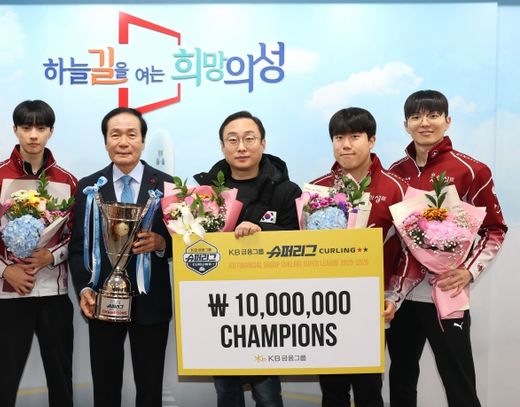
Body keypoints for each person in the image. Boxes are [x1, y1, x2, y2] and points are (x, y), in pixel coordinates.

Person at [387, 90, 507, 407]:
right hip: (400, 298)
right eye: (416, 117)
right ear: (406, 125)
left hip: (445, 293)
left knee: (459, 384)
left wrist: (469, 271)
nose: (424, 123)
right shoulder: (395, 173)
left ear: (447, 121)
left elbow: (494, 229)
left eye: (433, 115)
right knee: (400, 381)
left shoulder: (472, 170)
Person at [0, 100, 78, 406]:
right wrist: (7, 271)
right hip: (9, 295)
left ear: (51, 131)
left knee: (61, 382)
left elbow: (76, 237)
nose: (33, 135)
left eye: (41, 128)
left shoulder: (68, 181)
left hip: (54, 295)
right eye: (26, 127)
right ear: (15, 129)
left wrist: (51, 256)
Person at [309, 107, 418, 407]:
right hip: (327, 307)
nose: (345, 145)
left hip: (374, 306)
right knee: (332, 391)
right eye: (338, 138)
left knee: (369, 390)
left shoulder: (397, 187)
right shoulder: (317, 189)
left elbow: (413, 251)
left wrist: (394, 295)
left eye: (355, 137)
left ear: (372, 140)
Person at [193, 111, 302, 407]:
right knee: (226, 393)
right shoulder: (206, 194)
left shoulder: (287, 190)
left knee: (268, 395)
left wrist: (262, 232)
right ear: (222, 147)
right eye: (232, 140)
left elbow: (299, 240)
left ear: (263, 143)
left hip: (269, 309)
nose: (241, 147)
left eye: (249, 139)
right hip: (220, 309)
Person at [69, 107, 173, 407]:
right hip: (103, 301)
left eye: (131, 134)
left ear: (142, 141)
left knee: (150, 389)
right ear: (106, 141)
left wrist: (161, 243)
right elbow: (78, 247)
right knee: (105, 388)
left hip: (151, 302)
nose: (123, 142)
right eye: (115, 135)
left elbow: (185, 242)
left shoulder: (167, 185)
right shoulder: (90, 187)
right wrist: (85, 289)